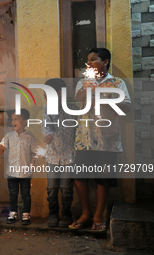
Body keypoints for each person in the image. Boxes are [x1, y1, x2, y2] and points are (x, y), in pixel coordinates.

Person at [69, 48, 131, 232]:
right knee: (79, 177)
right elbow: (79, 97)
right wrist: (90, 86)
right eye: (87, 60)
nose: (88, 63)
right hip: (84, 138)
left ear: (105, 62)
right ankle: (86, 213)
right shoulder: (83, 81)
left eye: (93, 59)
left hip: (107, 139)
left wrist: (107, 95)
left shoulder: (117, 83)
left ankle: (99, 215)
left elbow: (126, 107)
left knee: (103, 178)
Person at [42, 78, 77, 228]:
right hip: (52, 155)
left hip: (69, 155)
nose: (45, 97)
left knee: (66, 187)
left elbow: (78, 129)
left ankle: (67, 214)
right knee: (52, 187)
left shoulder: (73, 109)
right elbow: (46, 125)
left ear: (59, 93)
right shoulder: (46, 109)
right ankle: (53, 213)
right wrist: (48, 134)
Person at [0, 108, 36, 225]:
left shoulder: (29, 137)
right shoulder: (8, 135)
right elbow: (2, 147)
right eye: (12, 119)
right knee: (13, 193)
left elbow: (34, 152)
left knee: (26, 194)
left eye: (16, 119)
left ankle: (26, 214)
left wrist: (32, 164)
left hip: (25, 172)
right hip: (12, 171)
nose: (13, 122)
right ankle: (13, 213)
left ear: (25, 122)